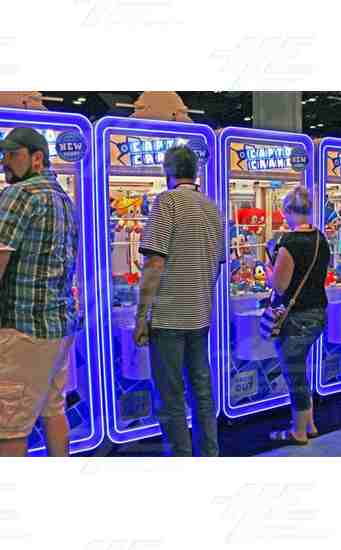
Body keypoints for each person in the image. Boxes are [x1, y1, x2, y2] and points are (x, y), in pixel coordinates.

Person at [0, 127, 79, 457]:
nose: (5, 162)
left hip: (23, 331)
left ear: (37, 158)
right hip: (57, 328)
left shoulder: (20, 194)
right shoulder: (63, 199)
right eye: (3, 155)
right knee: (53, 410)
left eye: (13, 155)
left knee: (8, 427)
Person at [134, 145, 225, 457]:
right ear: (195, 172)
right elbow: (217, 266)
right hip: (200, 315)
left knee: (171, 397)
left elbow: (154, 264)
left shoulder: (167, 202)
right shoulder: (212, 207)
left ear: (167, 172)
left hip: (168, 317)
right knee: (202, 393)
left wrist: (141, 316)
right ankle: (209, 455)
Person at [268, 186, 331, 445]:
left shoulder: (290, 242)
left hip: (297, 317)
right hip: (318, 313)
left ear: (288, 210)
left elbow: (279, 285)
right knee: (301, 369)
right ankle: (310, 424)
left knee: (295, 374)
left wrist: (269, 269)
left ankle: (299, 431)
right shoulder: (320, 238)